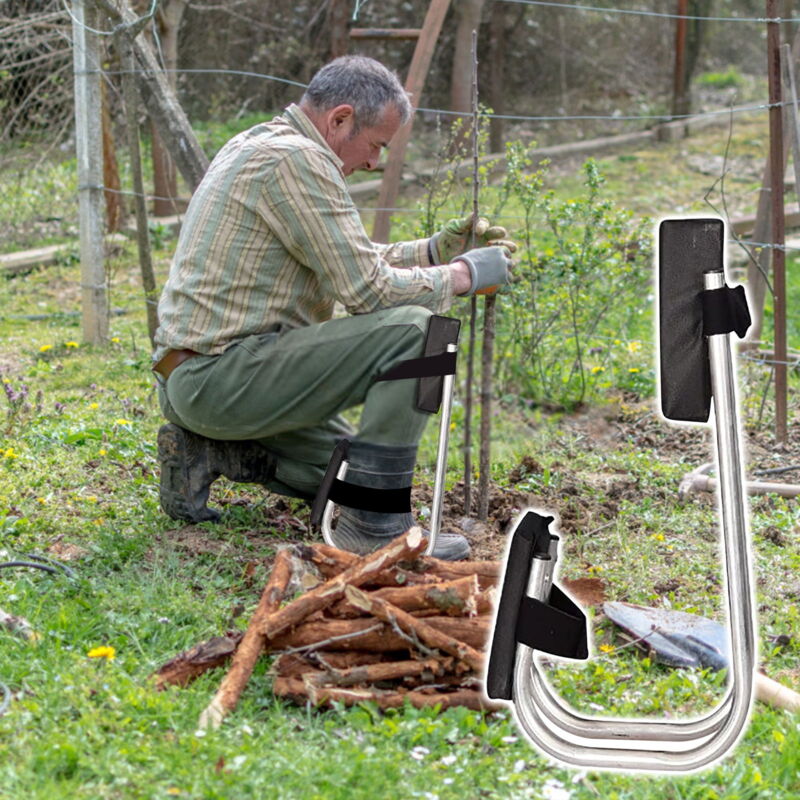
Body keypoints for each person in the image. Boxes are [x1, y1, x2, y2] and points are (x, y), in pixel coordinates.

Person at [153, 55, 515, 560]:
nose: (373, 162)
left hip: (201, 381)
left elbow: (344, 260)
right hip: (223, 376)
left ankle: (207, 451)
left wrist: (435, 252)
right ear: (340, 119)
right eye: (375, 145)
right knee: (421, 330)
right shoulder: (298, 161)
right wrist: (462, 277)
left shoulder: (264, 144)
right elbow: (369, 291)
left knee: (354, 471)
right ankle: (373, 527)